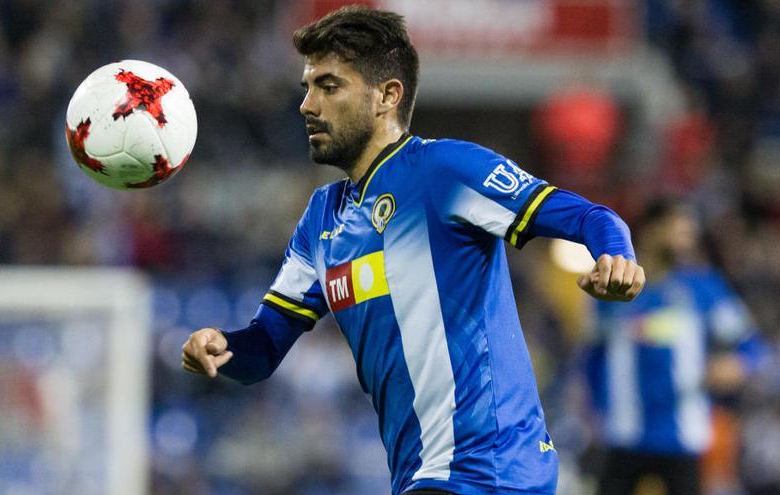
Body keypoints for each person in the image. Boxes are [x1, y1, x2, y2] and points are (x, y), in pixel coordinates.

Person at [182, 6, 645, 495]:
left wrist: (616, 257)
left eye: (329, 86)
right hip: (424, 479)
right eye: (307, 88)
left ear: (387, 95)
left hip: (490, 473)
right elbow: (264, 349)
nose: (308, 105)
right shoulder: (321, 220)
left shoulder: (445, 171)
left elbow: (592, 217)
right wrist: (221, 350)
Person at [584, 199, 765, 495]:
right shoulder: (611, 286)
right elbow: (592, 355)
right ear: (652, 230)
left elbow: (752, 347)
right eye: (680, 226)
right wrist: (594, 411)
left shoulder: (703, 288)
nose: (689, 235)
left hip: (683, 439)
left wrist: (738, 365)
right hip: (622, 436)